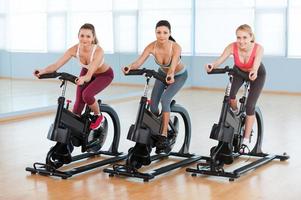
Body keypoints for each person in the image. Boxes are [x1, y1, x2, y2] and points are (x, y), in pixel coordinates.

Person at [122, 20, 188, 151]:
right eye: (159, 32)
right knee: (152, 107)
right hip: (161, 74)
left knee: (165, 100)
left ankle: (163, 134)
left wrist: (170, 74)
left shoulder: (175, 47)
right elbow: (138, 62)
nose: (161, 35)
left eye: (165, 32)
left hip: (178, 75)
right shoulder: (152, 46)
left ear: (170, 33)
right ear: (155, 33)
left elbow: (172, 67)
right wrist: (129, 67)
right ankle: (158, 126)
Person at [34, 23, 114, 130]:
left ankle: (98, 116)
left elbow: (89, 75)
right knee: (78, 103)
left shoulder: (98, 51)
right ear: (78, 36)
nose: (84, 39)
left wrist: (83, 79)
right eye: (82, 36)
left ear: (93, 38)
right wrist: (42, 71)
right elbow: (56, 65)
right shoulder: (74, 50)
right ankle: (76, 128)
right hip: (86, 71)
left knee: (87, 95)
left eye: (88, 36)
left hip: (104, 75)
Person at [205, 24, 266, 150]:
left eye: (244, 37)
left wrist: (254, 71)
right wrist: (212, 65)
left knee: (250, 106)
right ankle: (236, 113)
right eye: (238, 37)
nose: (241, 41)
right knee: (230, 97)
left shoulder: (258, 48)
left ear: (250, 37)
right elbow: (219, 60)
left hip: (257, 74)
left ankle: (246, 139)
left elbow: (255, 66)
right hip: (238, 72)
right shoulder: (232, 47)